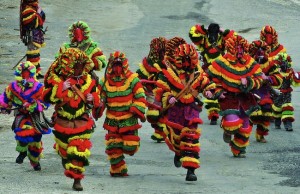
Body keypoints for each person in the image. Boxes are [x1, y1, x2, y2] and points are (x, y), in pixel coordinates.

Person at [43, 48, 101, 191]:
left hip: (82, 121)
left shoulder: (88, 79)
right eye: (76, 66)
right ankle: (65, 157)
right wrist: (60, 88)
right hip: (63, 122)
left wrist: (92, 98)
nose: (79, 69)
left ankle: (77, 179)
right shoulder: (58, 80)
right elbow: (46, 98)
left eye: (81, 65)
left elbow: (96, 95)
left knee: (79, 150)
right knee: (65, 151)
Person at [155, 43, 214, 181]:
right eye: (184, 59)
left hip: (191, 110)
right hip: (175, 111)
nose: (187, 63)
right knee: (176, 138)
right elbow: (162, 89)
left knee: (191, 137)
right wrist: (168, 97)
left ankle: (191, 170)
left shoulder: (198, 73)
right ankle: (178, 152)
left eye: (190, 59)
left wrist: (209, 91)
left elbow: (206, 84)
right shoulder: (170, 73)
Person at [207, 34, 264, 158]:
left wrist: (249, 82)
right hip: (228, 98)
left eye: (242, 48)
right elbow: (209, 80)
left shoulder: (249, 61)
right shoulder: (221, 62)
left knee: (245, 125)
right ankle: (227, 130)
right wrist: (218, 92)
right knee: (232, 123)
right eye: (237, 48)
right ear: (231, 48)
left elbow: (259, 78)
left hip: (245, 97)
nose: (240, 51)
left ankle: (238, 148)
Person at [97, 51, 147, 177]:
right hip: (112, 120)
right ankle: (118, 169)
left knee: (131, 146)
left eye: (119, 64)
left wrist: (136, 108)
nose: (117, 68)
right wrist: (98, 105)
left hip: (128, 118)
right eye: (114, 65)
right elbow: (100, 99)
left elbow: (140, 96)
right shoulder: (104, 82)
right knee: (113, 147)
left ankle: (128, 148)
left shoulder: (133, 79)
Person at [0, 61, 51, 171]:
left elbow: (45, 103)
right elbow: (6, 98)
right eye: (23, 73)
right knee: (22, 133)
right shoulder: (12, 87)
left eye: (27, 73)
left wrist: (33, 105)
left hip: (35, 116)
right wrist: (4, 107)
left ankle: (34, 160)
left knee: (36, 140)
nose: (25, 76)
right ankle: (22, 152)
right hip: (21, 115)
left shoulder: (39, 87)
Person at [189, 23, 235, 125]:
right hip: (208, 69)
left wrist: (225, 32)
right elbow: (192, 33)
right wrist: (201, 29)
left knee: (224, 90)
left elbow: (235, 40)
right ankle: (213, 114)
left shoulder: (222, 39)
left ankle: (227, 112)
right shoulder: (203, 39)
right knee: (210, 88)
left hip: (221, 69)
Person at [248, 40, 283, 143]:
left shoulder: (270, 63)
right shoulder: (247, 62)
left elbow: (277, 76)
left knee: (266, 111)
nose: (260, 52)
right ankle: (243, 134)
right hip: (251, 90)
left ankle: (261, 135)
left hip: (264, 91)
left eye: (262, 49)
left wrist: (268, 78)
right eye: (257, 50)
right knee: (251, 113)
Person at [136, 37, 168, 143]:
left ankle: (162, 132)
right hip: (151, 92)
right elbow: (140, 75)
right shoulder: (148, 63)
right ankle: (159, 131)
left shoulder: (168, 62)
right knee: (152, 114)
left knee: (162, 112)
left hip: (165, 92)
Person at [271, 53, 300, 131]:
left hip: (287, 93)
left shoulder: (290, 72)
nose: (284, 64)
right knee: (277, 108)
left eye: (285, 62)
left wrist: (296, 76)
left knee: (287, 108)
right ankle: (277, 124)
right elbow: (271, 81)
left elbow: (294, 81)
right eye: (282, 62)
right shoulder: (275, 72)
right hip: (277, 93)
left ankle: (288, 125)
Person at [20, 0, 46, 79]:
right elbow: (31, 23)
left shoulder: (33, 8)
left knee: (36, 54)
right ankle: (32, 73)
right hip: (31, 35)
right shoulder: (27, 10)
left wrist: (38, 13)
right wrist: (38, 14)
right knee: (32, 55)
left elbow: (41, 19)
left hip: (36, 35)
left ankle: (37, 72)